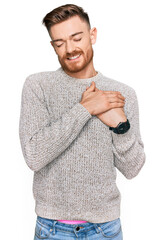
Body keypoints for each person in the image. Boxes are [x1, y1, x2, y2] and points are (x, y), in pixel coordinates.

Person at [19, 4, 146, 240]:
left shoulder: (120, 93)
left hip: (105, 230)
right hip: (52, 229)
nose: (69, 49)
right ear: (53, 46)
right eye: (59, 43)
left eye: (76, 38)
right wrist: (85, 108)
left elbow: (133, 168)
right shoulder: (38, 86)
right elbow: (34, 156)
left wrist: (121, 126)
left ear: (92, 35)